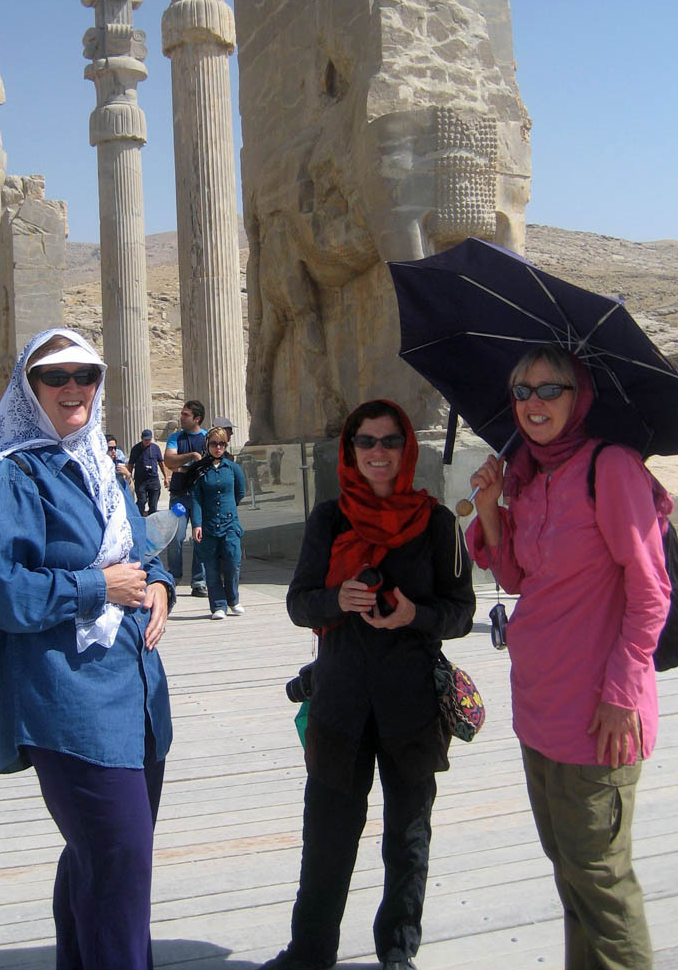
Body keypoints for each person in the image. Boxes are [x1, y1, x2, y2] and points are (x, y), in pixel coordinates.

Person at [0, 328, 174, 970]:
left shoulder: (98, 465)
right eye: (56, 376)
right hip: (68, 701)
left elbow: (141, 551)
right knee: (120, 860)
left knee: (100, 857)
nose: (73, 388)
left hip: (135, 696)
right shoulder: (13, 476)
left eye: (86, 375)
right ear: (28, 388)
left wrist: (160, 585)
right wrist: (98, 586)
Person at [467, 344, 670, 970]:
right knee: (571, 873)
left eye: (549, 388)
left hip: (599, 715)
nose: (533, 403)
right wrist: (490, 510)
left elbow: (651, 592)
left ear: (579, 396)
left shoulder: (610, 468)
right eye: (522, 391)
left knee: (601, 880)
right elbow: (517, 577)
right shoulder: (530, 475)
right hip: (539, 708)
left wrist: (622, 694)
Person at [261, 399, 475, 970]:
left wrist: (414, 615)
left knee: (408, 836)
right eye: (366, 441)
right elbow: (300, 604)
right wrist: (339, 599)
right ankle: (310, 952)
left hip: (412, 705)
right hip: (341, 703)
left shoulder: (437, 523)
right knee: (327, 834)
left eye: (390, 441)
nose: (378, 452)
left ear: (408, 449)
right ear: (350, 451)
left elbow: (460, 613)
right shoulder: (329, 519)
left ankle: (398, 953)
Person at [189, 426, 247, 619]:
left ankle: (233, 600)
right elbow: (196, 498)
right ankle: (218, 606)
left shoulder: (233, 468)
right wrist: (197, 524)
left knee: (232, 561)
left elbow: (240, 492)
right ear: (208, 445)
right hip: (208, 525)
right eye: (214, 444)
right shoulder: (200, 470)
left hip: (230, 524)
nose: (218, 447)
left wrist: (229, 508)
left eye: (222, 444)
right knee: (211, 567)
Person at [164, 399, 208, 596]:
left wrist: (180, 468)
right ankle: (174, 576)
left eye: (185, 415)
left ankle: (199, 581)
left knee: (200, 538)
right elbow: (169, 460)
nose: (181, 418)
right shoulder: (176, 437)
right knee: (175, 537)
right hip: (179, 497)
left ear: (197, 418)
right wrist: (191, 456)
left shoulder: (208, 438)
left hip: (201, 498)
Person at [128, 428, 169, 515]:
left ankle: (151, 518)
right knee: (141, 501)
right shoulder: (135, 449)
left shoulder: (155, 448)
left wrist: (166, 477)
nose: (147, 441)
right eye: (145, 440)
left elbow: (161, 463)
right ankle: (139, 517)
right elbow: (130, 464)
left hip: (153, 479)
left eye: (149, 439)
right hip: (140, 480)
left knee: (153, 504)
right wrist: (129, 476)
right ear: (142, 438)